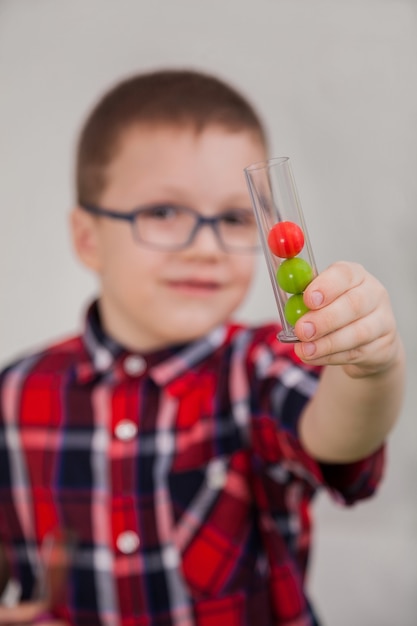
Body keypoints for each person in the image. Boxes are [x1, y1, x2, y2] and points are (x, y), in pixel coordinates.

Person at [0, 69, 405, 626]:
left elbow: (337, 436)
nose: (206, 247)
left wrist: (367, 370)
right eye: (164, 212)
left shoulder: (263, 368)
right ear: (88, 238)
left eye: (235, 218)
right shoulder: (15, 393)